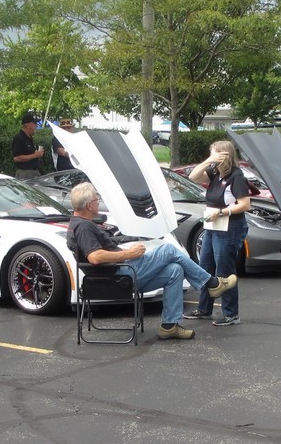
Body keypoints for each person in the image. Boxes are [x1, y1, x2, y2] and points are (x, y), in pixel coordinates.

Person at [68, 182, 237, 340]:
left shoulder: (80, 224)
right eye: (97, 200)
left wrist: (130, 248)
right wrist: (129, 253)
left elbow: (102, 250)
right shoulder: (84, 227)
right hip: (119, 277)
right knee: (168, 250)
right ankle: (212, 283)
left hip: (120, 274)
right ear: (89, 205)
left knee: (175, 270)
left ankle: (169, 325)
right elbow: (95, 257)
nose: (99, 202)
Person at [186, 140, 252, 326]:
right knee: (205, 267)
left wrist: (222, 212)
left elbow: (245, 204)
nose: (212, 156)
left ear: (224, 155)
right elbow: (193, 176)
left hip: (229, 227)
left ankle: (231, 314)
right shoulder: (215, 172)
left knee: (224, 270)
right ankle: (204, 308)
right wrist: (209, 161)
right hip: (213, 225)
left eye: (215, 153)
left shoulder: (236, 176)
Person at [12, 112, 44, 179]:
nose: (36, 126)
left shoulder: (30, 138)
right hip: (24, 174)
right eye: (35, 123)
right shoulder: (19, 138)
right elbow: (17, 158)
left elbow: (28, 153)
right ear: (28, 125)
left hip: (34, 172)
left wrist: (37, 153)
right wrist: (35, 155)